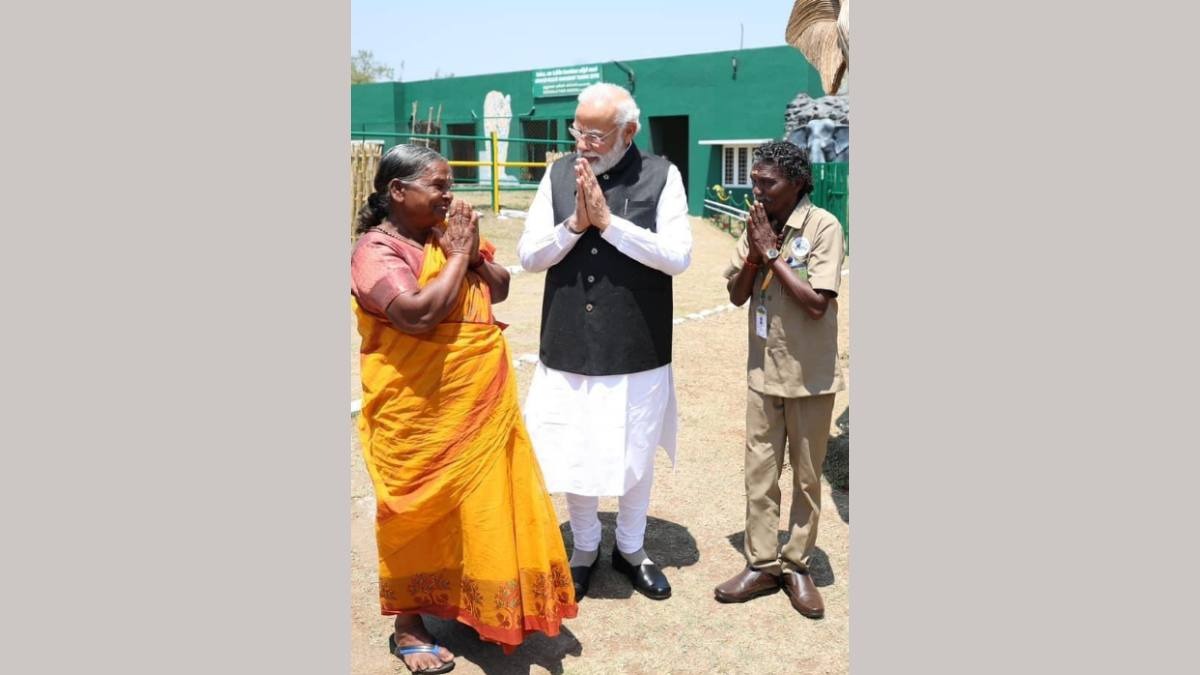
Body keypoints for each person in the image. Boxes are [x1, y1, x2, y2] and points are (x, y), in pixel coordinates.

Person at [351, 144, 577, 673]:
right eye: (439, 185)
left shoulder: (445, 238)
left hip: (478, 406)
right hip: (418, 415)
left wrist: (471, 254)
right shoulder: (374, 252)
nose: (449, 195)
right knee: (417, 516)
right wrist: (456, 256)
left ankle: (473, 603)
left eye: (450, 184)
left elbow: (496, 290)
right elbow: (416, 315)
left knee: (477, 510)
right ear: (397, 192)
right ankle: (408, 626)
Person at [517, 83, 692, 601]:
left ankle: (631, 548)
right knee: (574, 446)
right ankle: (586, 547)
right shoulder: (554, 176)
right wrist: (574, 224)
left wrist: (611, 225)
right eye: (578, 130)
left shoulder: (663, 175)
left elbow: (678, 256)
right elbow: (529, 255)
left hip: (637, 343)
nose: (583, 142)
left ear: (629, 132)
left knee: (635, 447)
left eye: (595, 133)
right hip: (569, 339)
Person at [714, 140, 845, 619]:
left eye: (768, 183)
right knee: (759, 474)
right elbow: (735, 296)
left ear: (796, 183)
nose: (758, 190)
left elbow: (816, 304)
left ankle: (797, 565)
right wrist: (753, 254)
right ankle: (763, 564)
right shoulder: (757, 224)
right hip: (762, 374)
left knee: (808, 480)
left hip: (810, 379)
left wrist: (772, 254)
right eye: (755, 181)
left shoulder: (824, 227)